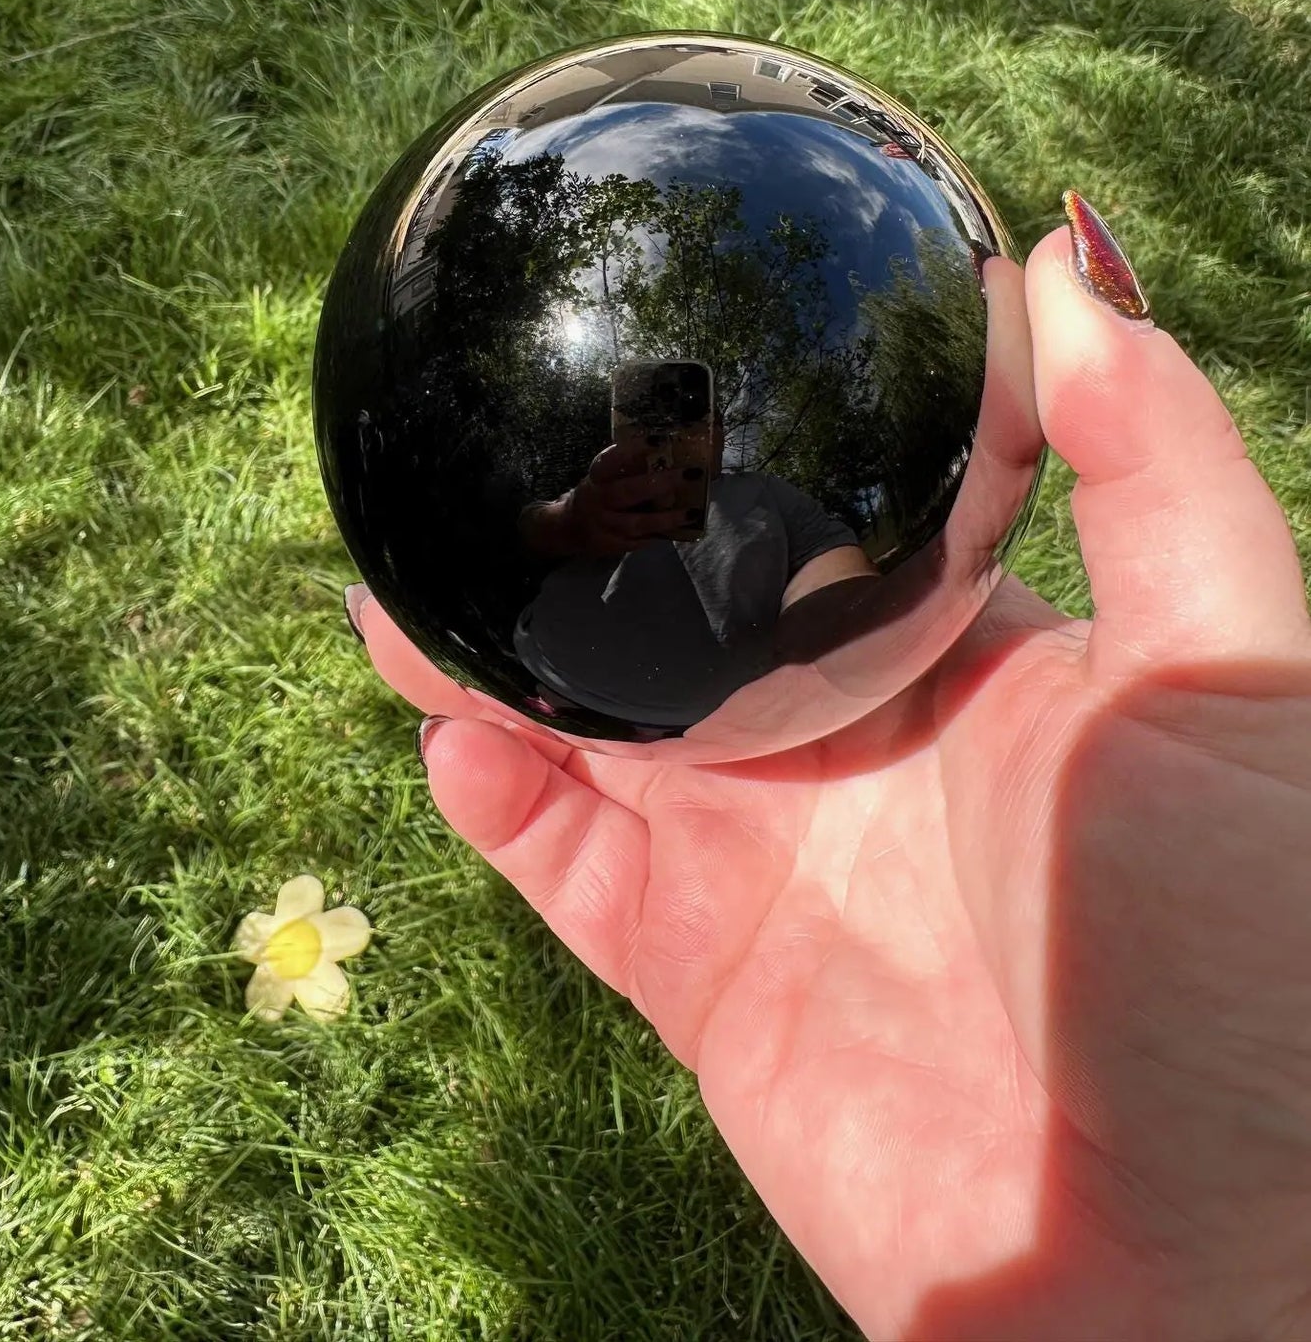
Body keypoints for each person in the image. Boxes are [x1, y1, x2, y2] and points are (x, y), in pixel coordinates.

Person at [345, 195, 1311, 1342]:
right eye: (643, 423)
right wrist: (561, 529)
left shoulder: (775, 508)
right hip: (598, 708)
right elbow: (478, 562)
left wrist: (1251, 1262)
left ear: (715, 431)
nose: (667, 450)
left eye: (686, 425)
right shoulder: (577, 512)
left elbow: (841, 606)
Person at [509, 412, 878, 725]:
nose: (680, 433)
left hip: (698, 725)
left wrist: (842, 645)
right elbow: (531, 527)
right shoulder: (611, 483)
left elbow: (829, 557)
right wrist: (573, 521)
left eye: (697, 418)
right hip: (549, 682)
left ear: (719, 434)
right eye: (660, 422)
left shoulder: (767, 493)